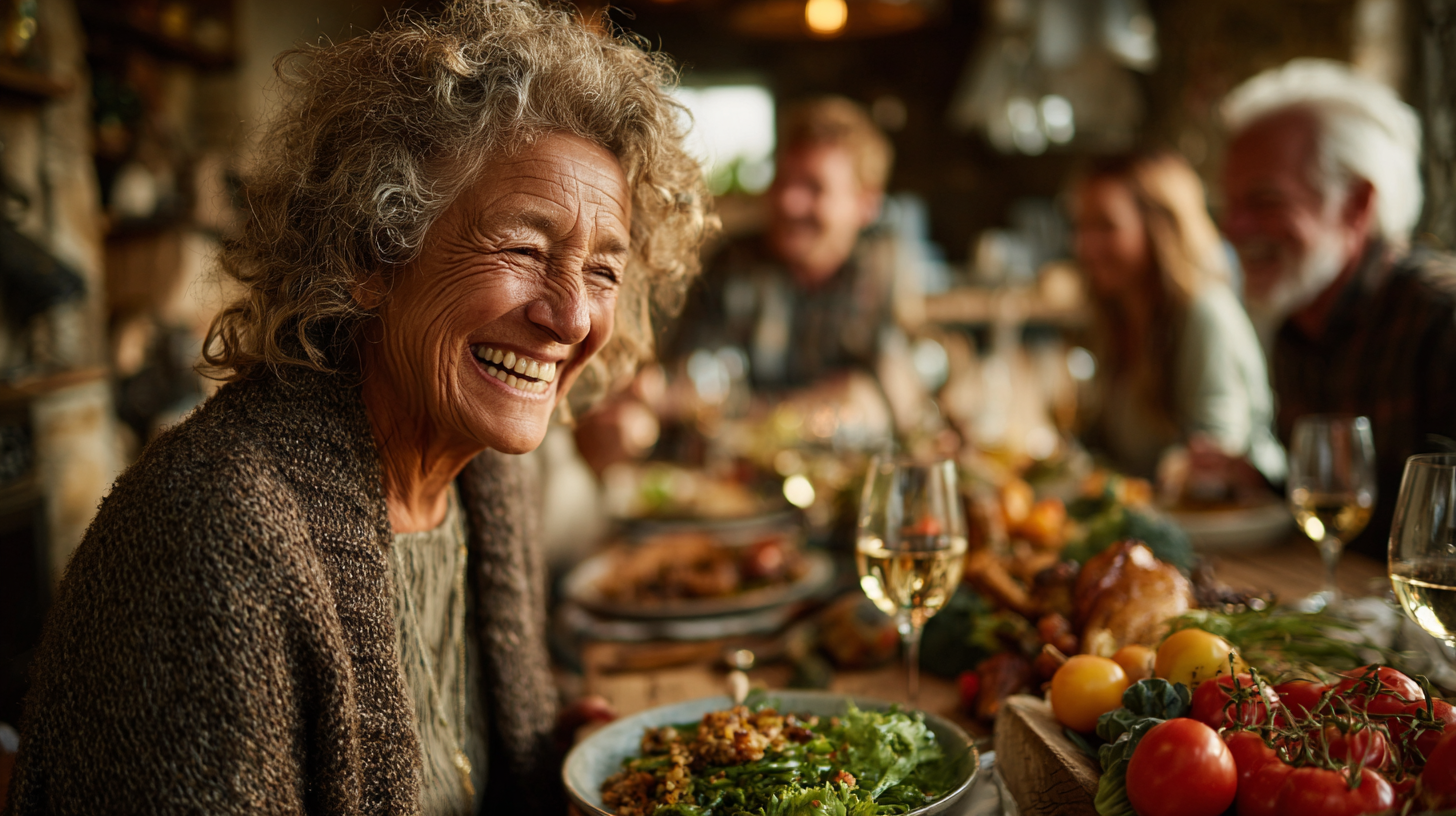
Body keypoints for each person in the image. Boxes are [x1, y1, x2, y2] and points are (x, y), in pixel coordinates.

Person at [5, 2, 710, 813]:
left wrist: (555, 761)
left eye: (603, 271)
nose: (572, 316)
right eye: (523, 248)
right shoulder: (220, 531)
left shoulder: (481, 483)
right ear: (372, 253)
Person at [1220, 58, 1456, 558]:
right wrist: (1260, 481)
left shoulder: (1441, 319)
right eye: (1230, 204)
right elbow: (1343, 504)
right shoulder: (1297, 321)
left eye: (1265, 201)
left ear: (1356, 204)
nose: (1234, 228)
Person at [1071, 151, 1284, 489]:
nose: (1084, 245)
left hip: (1236, 530)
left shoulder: (1203, 312)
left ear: (1159, 227)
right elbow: (1104, 448)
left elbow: (1217, 452)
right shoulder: (1117, 319)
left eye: (1105, 226)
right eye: (1080, 226)